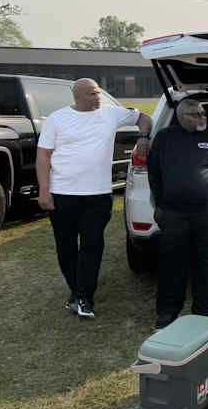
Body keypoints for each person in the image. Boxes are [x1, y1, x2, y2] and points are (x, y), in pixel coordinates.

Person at [37, 78, 152, 319]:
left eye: (98, 92)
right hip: (62, 194)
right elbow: (43, 156)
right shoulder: (56, 119)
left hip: (98, 195)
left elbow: (144, 118)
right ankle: (76, 290)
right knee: (66, 246)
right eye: (92, 94)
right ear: (77, 96)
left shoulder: (111, 114)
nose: (98, 97)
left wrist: (144, 137)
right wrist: (44, 191)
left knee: (92, 245)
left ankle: (84, 297)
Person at [147, 99, 208, 330]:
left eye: (203, 113)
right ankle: (167, 314)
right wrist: (160, 204)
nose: (202, 117)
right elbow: (154, 172)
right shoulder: (164, 137)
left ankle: (204, 312)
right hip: (174, 212)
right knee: (172, 262)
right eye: (196, 114)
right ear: (181, 116)